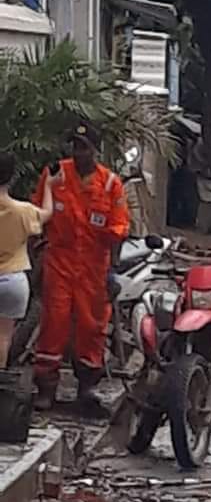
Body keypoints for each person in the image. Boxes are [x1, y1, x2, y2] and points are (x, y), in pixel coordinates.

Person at [33, 122, 129, 413]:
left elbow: (119, 229)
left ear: (95, 150)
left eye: (84, 147)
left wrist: (112, 270)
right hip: (59, 263)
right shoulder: (55, 175)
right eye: (75, 146)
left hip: (94, 267)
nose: (78, 153)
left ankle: (87, 385)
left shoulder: (110, 184)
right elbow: (38, 215)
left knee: (92, 326)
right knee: (54, 323)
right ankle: (46, 387)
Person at [0, 151, 54, 367]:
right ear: (11, 176)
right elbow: (47, 213)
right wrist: (48, 186)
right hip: (13, 281)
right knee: (4, 336)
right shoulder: (23, 211)